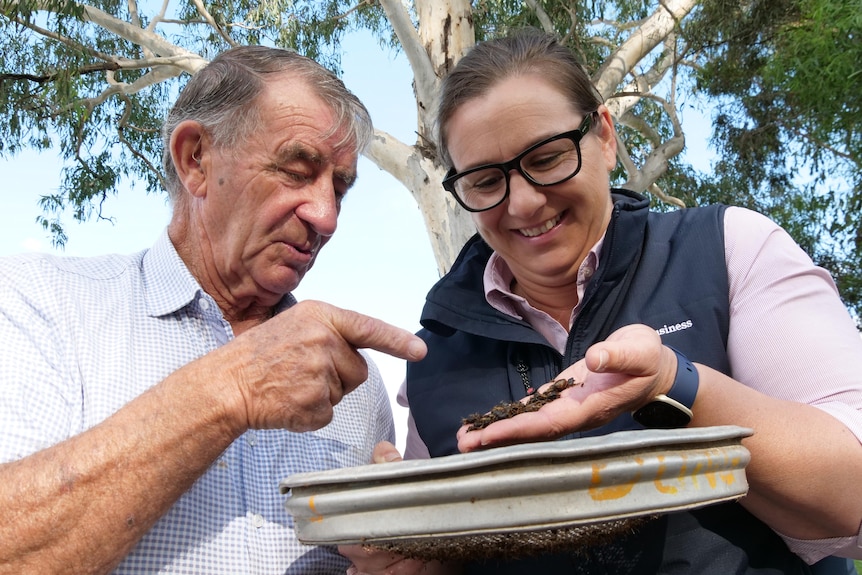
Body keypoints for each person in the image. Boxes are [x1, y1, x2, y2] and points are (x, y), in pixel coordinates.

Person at [342, 29, 862, 575]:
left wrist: (673, 387)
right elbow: (454, 551)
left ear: (606, 137)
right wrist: (412, 557)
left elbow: (850, 495)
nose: (522, 202)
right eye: (484, 180)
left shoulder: (728, 251)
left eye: (546, 158)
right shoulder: (434, 357)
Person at [0, 45, 427, 574]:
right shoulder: (39, 302)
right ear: (195, 159)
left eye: (340, 188)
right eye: (297, 170)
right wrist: (233, 387)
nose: (327, 216)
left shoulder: (354, 386)